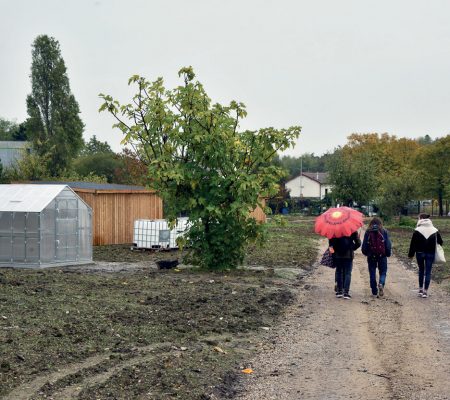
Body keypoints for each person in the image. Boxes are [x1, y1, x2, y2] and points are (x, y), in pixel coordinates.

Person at [408, 213, 443, 298]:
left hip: (419, 253)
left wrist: (411, 255)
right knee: (428, 272)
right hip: (430, 253)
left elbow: (413, 244)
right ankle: (425, 292)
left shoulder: (417, 230)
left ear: (420, 219)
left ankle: (420, 290)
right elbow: (440, 242)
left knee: (421, 270)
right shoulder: (434, 230)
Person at [361, 217, 392, 297]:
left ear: (371, 223)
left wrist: (366, 253)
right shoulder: (384, 231)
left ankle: (374, 291)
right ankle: (381, 283)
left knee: (372, 272)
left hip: (371, 256)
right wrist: (387, 253)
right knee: (383, 272)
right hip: (382, 256)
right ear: (380, 223)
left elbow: (364, 246)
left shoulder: (368, 232)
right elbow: (388, 244)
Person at [329, 230, 361, 299]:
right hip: (348, 255)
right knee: (348, 273)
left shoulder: (334, 229)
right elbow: (358, 243)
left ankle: (339, 292)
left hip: (338, 255)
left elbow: (331, 244)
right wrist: (352, 248)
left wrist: (334, 250)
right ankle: (346, 293)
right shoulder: (352, 230)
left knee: (338, 272)